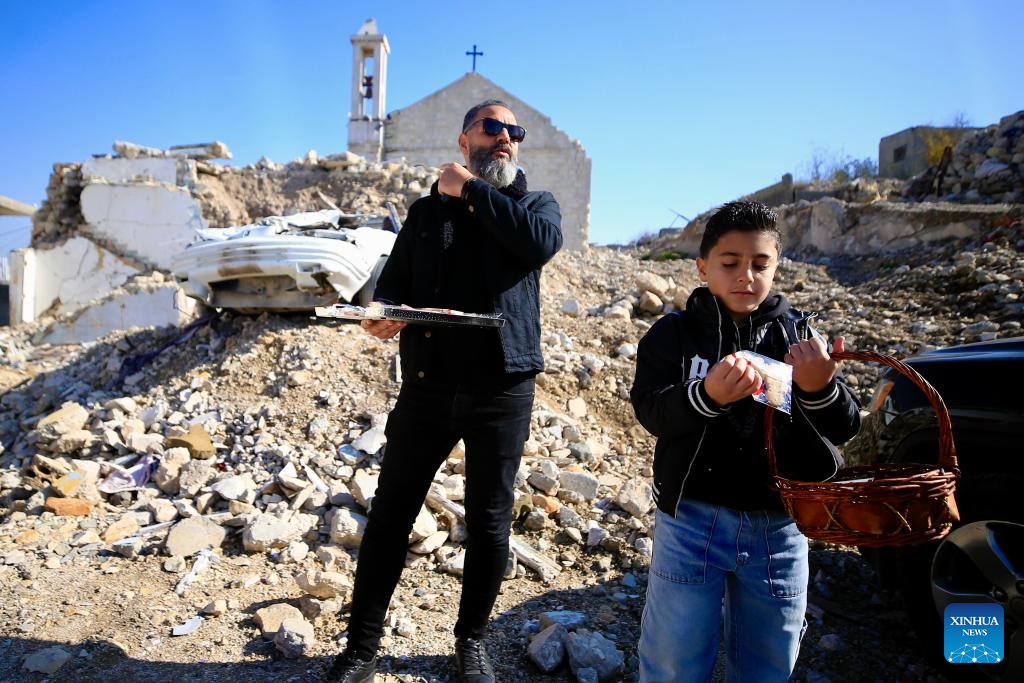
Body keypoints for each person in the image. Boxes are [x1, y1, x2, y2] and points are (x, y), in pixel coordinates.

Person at [325, 100, 562, 683]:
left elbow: (538, 245)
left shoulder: (534, 205)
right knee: (391, 515)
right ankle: (361, 648)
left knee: (489, 521)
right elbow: (393, 286)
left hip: (502, 387)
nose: (506, 138)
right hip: (428, 385)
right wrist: (382, 316)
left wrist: (470, 193)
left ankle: (471, 644)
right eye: (493, 128)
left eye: (515, 132)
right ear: (465, 141)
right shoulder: (426, 214)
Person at [629, 201, 861, 682]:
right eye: (730, 263)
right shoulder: (672, 335)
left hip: (780, 528)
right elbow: (650, 411)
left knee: (770, 662)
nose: (746, 276)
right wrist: (707, 394)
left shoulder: (800, 339)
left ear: (777, 266)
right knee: (673, 659)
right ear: (702, 267)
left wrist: (820, 386)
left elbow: (844, 427)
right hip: (689, 522)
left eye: (760, 264)